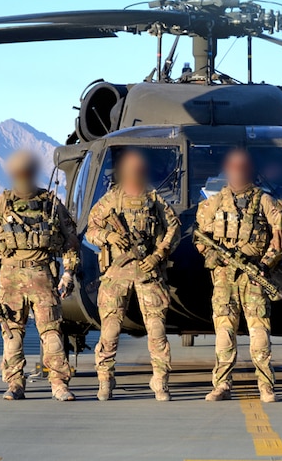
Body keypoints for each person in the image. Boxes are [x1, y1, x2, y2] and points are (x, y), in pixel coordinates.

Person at [0, 150, 80, 401]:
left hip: (42, 275)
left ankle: (58, 383)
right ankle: (15, 384)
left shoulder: (51, 203)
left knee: (52, 332)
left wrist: (68, 273)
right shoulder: (0, 205)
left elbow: (71, 241)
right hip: (11, 277)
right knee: (12, 333)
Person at [195, 148, 282, 403]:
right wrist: (215, 259)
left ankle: (266, 386)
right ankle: (222, 385)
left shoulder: (265, 201)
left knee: (260, 334)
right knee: (224, 332)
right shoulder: (213, 203)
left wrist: (265, 264)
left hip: (255, 277)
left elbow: (280, 238)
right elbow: (200, 238)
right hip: (225, 278)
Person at [86, 149, 180, 401]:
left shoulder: (154, 198)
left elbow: (173, 228)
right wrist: (109, 236)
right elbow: (90, 229)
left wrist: (158, 255)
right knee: (110, 330)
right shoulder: (111, 200)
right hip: (117, 272)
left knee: (157, 329)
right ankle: (105, 379)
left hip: (149, 271)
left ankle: (160, 380)